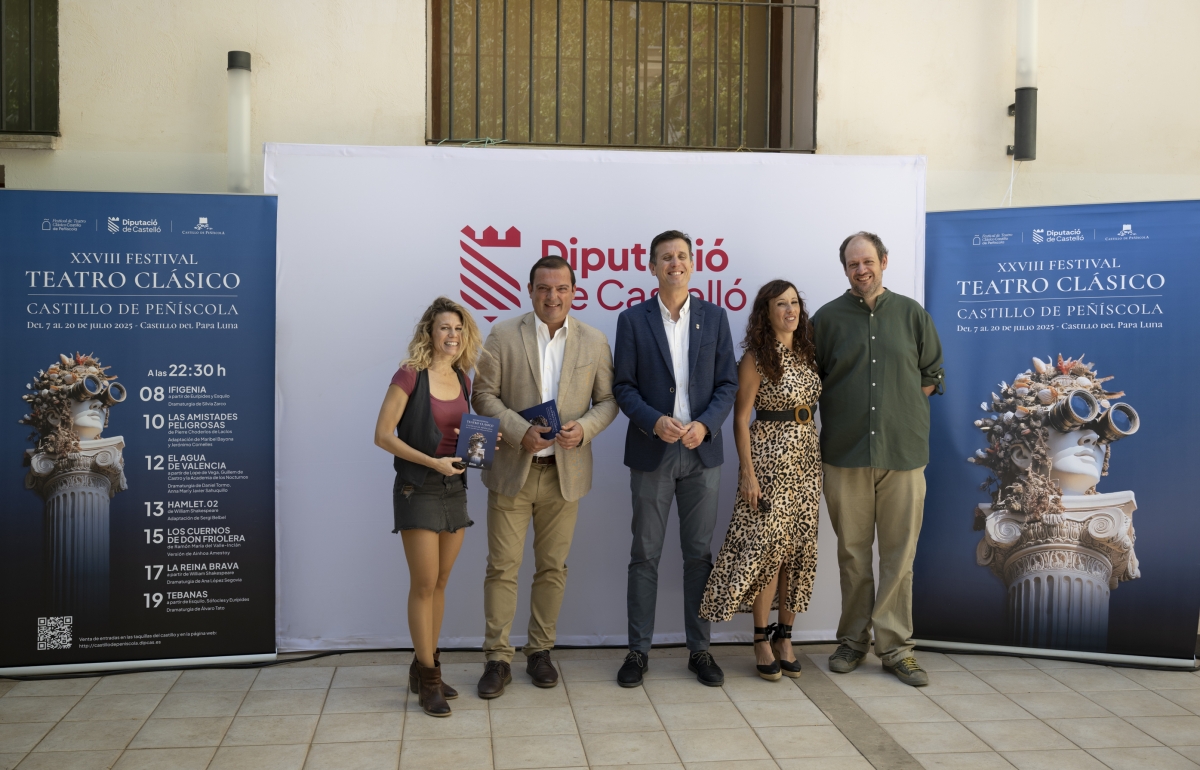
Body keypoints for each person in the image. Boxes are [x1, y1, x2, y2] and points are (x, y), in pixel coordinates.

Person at [472, 256, 618, 699]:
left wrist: (585, 428)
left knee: (552, 568)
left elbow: (608, 400)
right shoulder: (502, 334)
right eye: (543, 288)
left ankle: (540, 652)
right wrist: (519, 431)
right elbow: (482, 395)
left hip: (564, 475)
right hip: (513, 472)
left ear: (574, 291)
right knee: (502, 569)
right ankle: (498, 658)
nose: (552, 297)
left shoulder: (593, 341)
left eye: (561, 289)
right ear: (530, 290)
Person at [813, 232, 944, 687]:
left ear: (884, 262)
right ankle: (852, 641)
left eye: (868, 261)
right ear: (845, 269)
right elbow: (812, 381)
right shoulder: (825, 320)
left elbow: (931, 374)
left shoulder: (912, 315)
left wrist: (897, 409)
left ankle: (896, 648)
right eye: (853, 264)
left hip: (903, 454)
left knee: (898, 555)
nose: (861, 270)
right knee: (851, 555)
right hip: (844, 455)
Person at [612, 230, 738, 688]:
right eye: (666, 257)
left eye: (682, 256)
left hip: (702, 453)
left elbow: (728, 384)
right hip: (653, 452)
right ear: (652, 266)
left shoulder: (716, 317)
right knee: (643, 554)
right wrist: (653, 420)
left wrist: (706, 424)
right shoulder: (632, 320)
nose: (675, 263)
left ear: (693, 264)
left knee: (698, 556)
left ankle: (699, 650)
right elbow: (622, 386)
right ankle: (637, 652)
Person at [700, 280, 822, 681]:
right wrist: (748, 475)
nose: (789, 310)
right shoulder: (756, 357)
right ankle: (759, 639)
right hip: (770, 459)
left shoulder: (807, 351)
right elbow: (740, 418)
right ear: (765, 312)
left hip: (807, 458)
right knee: (767, 552)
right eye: (780, 304)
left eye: (794, 303)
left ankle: (785, 635)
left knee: (797, 549)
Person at [373, 296, 488, 717]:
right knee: (423, 585)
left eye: (458, 328)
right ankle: (429, 680)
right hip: (417, 487)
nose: (452, 335)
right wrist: (432, 461)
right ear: (429, 332)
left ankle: (425, 665)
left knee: (440, 582)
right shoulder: (409, 376)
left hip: (454, 487)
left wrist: (471, 445)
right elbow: (383, 435)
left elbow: (461, 434)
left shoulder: (464, 378)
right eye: (444, 327)